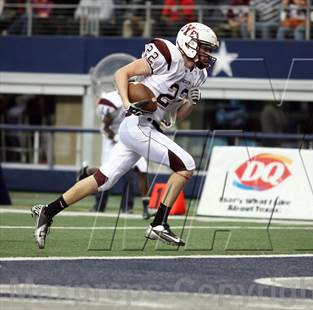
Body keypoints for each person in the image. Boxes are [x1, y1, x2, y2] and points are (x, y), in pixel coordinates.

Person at [31, 22, 219, 249]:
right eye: (204, 47)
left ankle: (47, 211)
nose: (207, 54)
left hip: (147, 126)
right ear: (189, 43)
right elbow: (123, 73)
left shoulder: (198, 75)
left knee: (102, 181)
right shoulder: (167, 55)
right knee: (186, 165)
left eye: (209, 49)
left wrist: (191, 102)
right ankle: (159, 223)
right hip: (138, 123)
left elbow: (179, 113)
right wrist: (128, 102)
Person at [76, 90, 156, 219]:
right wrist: (115, 137)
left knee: (143, 170)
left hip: (132, 136)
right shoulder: (115, 102)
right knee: (107, 173)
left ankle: (144, 207)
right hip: (113, 138)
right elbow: (104, 127)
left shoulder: (141, 97)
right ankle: (90, 177)